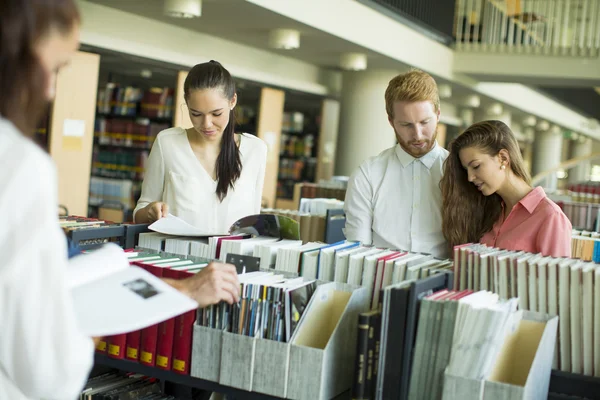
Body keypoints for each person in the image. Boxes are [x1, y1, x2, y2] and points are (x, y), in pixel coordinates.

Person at [0, 1, 240, 399]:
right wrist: (91, 320)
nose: (51, 89)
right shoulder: (19, 166)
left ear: (232, 102)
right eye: (55, 68)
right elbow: (45, 371)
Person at [133, 61, 268, 234]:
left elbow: (253, 223)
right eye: (196, 114)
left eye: (216, 113)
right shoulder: (168, 143)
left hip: (229, 259)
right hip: (177, 258)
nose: (206, 124)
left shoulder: (255, 150)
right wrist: (151, 211)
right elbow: (139, 213)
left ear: (232, 101)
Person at [344, 69, 449, 258]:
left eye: (425, 122)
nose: (417, 135)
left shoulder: (458, 170)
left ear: (438, 115)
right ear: (391, 121)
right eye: (406, 125)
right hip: (380, 281)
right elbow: (357, 249)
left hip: (445, 282)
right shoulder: (368, 174)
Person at [441, 120, 572, 257]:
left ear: (503, 158)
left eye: (476, 166)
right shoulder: (490, 211)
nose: (470, 177)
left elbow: (556, 278)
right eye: (466, 169)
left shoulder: (550, 217)